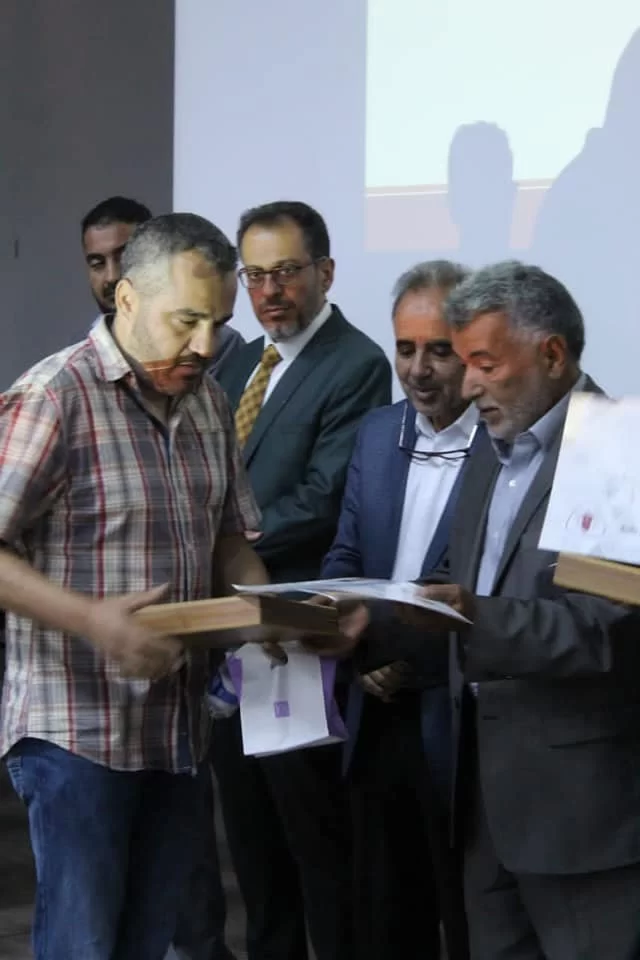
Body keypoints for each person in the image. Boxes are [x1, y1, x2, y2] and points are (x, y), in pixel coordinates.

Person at [0, 213, 270, 960]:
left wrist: (270, 613)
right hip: (75, 732)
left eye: (219, 323)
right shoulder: (55, 395)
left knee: (150, 944)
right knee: (84, 946)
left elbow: (229, 539)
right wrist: (95, 621)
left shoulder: (209, 403)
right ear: (126, 298)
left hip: (177, 730)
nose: (206, 346)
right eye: (186, 321)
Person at [411, 261, 640, 959]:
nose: (467, 385)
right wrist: (371, 617)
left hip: (579, 812)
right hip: (481, 798)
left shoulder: (619, 449)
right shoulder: (490, 447)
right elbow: (459, 573)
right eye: (464, 364)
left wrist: (474, 619)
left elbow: (607, 631)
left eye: (485, 364)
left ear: (553, 354)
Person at [213, 200, 392, 960]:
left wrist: (218, 542)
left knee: (315, 843)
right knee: (252, 848)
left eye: (286, 272)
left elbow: (324, 498)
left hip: (298, 630)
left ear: (326, 272)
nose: (269, 292)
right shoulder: (235, 362)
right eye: (254, 275)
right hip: (228, 630)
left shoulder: (356, 363)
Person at [321, 260, 473, 960]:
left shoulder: (505, 445)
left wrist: (403, 653)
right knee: (385, 918)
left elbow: (498, 587)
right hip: (374, 710)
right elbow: (345, 557)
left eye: (439, 350)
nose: (417, 369)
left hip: (460, 719)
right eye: (405, 348)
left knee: (467, 917)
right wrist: (348, 637)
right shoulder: (379, 432)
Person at [81, 196, 244, 376]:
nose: (112, 276)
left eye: (124, 258)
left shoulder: (223, 346)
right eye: (97, 264)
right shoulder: (71, 368)